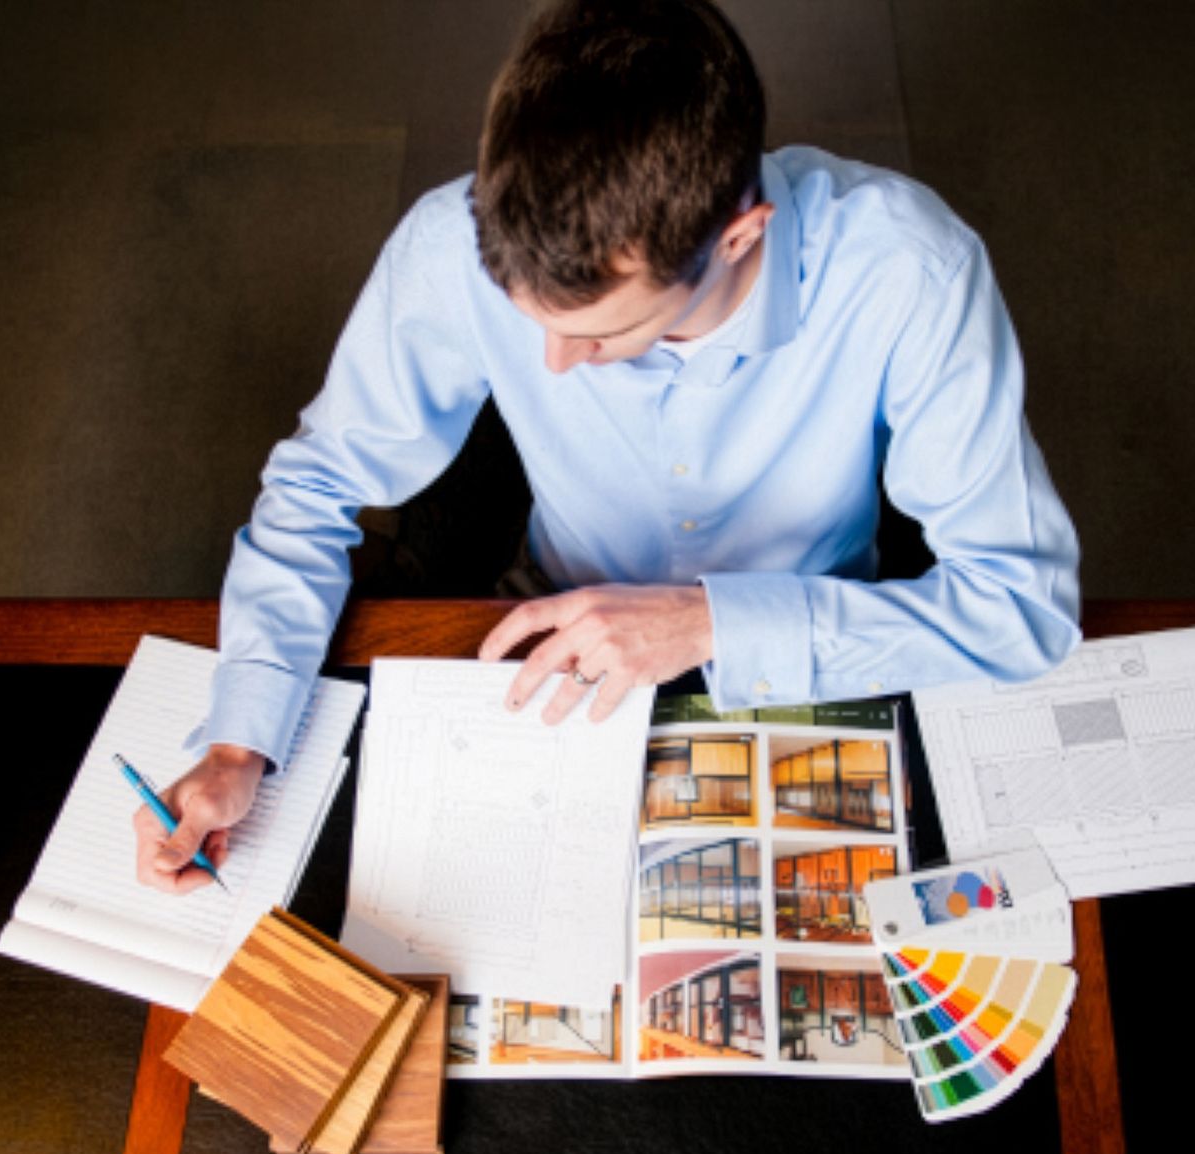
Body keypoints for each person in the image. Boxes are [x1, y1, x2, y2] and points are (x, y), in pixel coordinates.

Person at [135, 0, 1080, 893]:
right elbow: (315, 485)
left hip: (820, 646)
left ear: (739, 237)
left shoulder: (913, 272)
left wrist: (708, 625)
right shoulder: (448, 240)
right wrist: (237, 746)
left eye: (598, 333)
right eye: (529, 321)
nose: (548, 366)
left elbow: (1026, 610)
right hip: (548, 635)